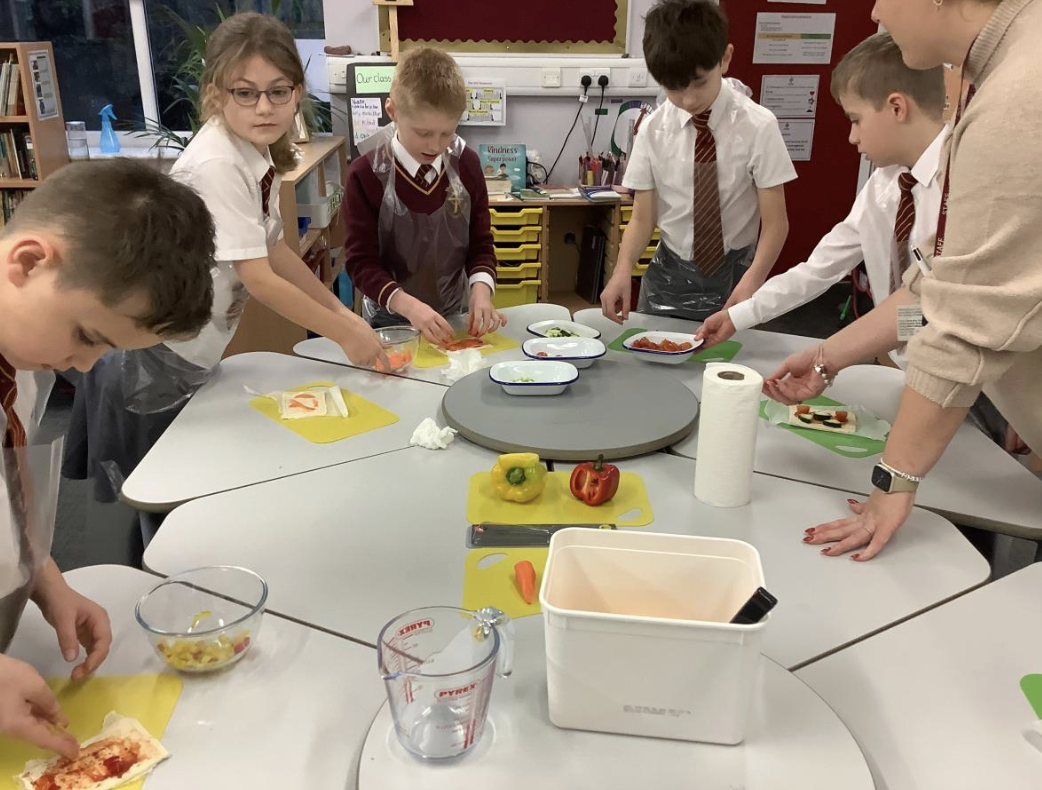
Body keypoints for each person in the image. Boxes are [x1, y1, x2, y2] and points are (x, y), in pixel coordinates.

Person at [63, 13, 386, 507]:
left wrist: (343, 317)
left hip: (186, 350)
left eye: (279, 91)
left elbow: (277, 252)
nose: (264, 106)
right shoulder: (218, 162)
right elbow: (259, 280)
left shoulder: (259, 152)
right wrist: (346, 334)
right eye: (246, 92)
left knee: (181, 486)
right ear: (216, 93)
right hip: (150, 358)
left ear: (298, 92)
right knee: (160, 499)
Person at [765, 0, 1042, 561]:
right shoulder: (999, 73)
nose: (873, 12)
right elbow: (931, 292)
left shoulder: (1018, 96)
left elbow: (963, 322)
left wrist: (893, 481)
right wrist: (827, 357)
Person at [0, 159, 216, 757]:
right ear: (28, 262)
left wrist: (39, 576)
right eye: (89, 337)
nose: (87, 365)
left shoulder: (25, 354)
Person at [697, 32, 948, 359]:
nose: (851, 137)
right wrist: (739, 315)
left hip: (962, 379)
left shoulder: (965, 189)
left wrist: (849, 349)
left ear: (897, 107)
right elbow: (819, 269)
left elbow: (933, 310)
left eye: (855, 120)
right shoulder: (883, 186)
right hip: (899, 360)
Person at [600, 0, 796, 324]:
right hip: (669, 276)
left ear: (725, 58)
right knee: (656, 360)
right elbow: (642, 218)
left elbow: (776, 223)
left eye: (699, 82)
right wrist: (621, 271)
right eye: (674, 88)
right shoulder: (652, 129)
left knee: (730, 368)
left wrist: (751, 284)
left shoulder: (759, 126)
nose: (688, 100)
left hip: (738, 275)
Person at [343, 47, 504, 346]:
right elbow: (361, 263)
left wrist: (481, 291)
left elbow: (480, 243)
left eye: (447, 133)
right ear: (392, 112)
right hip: (390, 323)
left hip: (455, 316)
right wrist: (411, 307)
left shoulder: (466, 165)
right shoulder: (365, 174)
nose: (435, 145)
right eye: (423, 133)